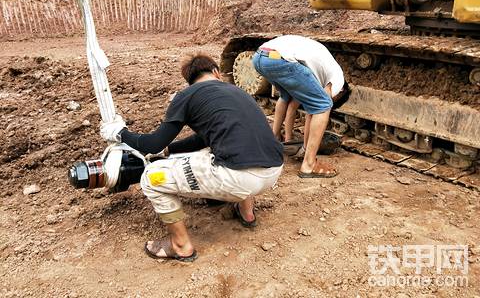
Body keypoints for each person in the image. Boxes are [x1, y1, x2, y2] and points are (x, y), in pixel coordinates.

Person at [100, 54, 283, 262]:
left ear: (190, 81)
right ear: (216, 73)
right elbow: (204, 139)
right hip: (273, 169)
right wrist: (170, 151)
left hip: (238, 178)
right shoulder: (238, 92)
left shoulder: (187, 95)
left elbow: (152, 144)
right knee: (234, 146)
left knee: (151, 178)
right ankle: (246, 213)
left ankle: (180, 245)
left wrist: (120, 133)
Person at [252, 35, 349, 179]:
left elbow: (309, 109)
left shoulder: (322, 70)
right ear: (341, 91)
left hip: (261, 57)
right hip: (280, 60)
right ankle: (309, 164)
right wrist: (306, 147)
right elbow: (319, 108)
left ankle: (275, 138)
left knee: (285, 96)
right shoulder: (338, 80)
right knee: (323, 105)